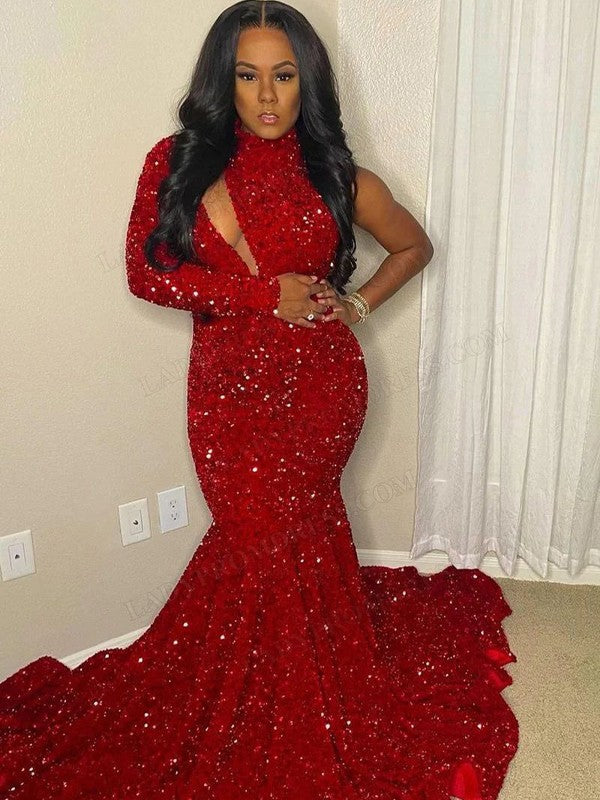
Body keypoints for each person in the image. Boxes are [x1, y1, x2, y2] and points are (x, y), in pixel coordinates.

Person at [0, 2, 519, 798]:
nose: (268, 96)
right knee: (257, 545)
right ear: (225, 81)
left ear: (308, 83)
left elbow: (415, 244)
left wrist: (358, 303)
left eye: (284, 76)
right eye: (248, 76)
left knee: (279, 544)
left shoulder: (335, 174)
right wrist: (260, 295)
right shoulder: (177, 162)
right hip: (225, 394)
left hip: (320, 391)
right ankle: (263, 687)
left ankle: (298, 696)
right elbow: (148, 274)